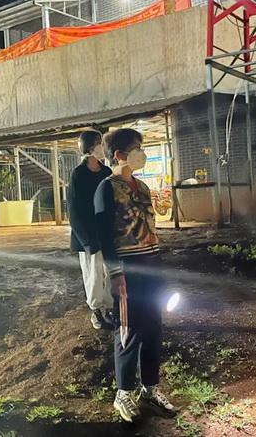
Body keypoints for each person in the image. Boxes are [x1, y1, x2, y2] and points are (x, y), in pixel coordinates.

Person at [94, 129, 176, 423]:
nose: (142, 152)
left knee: (153, 326)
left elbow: (150, 227)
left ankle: (149, 389)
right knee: (128, 331)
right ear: (119, 155)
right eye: (136, 148)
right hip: (127, 269)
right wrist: (116, 274)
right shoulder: (106, 188)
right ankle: (123, 392)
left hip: (152, 264)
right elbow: (104, 236)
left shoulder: (141, 187)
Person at [68, 130, 114, 329]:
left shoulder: (106, 172)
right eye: (99, 143)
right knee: (93, 274)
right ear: (89, 147)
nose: (103, 147)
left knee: (111, 271)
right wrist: (87, 241)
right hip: (88, 234)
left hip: (107, 232)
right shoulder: (78, 174)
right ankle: (96, 310)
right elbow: (74, 209)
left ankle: (111, 307)